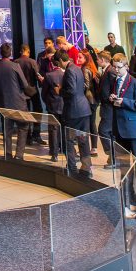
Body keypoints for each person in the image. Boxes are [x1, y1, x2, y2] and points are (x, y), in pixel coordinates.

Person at [109, 53, 136, 201]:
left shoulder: (135, 83)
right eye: (114, 67)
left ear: (126, 66)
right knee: (124, 160)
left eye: (119, 67)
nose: (116, 70)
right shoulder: (116, 81)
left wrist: (123, 101)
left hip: (132, 128)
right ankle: (127, 187)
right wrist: (112, 99)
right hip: (119, 127)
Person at [0, 43, 31, 160]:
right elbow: (25, 84)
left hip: (3, 104)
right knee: (23, 127)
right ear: (10, 53)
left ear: (0, 53)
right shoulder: (15, 66)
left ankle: (8, 155)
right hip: (18, 103)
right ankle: (19, 155)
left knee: (7, 130)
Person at [54, 48, 92, 177]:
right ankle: (86, 168)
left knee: (69, 140)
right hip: (83, 109)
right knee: (83, 140)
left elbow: (71, 90)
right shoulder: (76, 68)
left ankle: (72, 167)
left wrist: (60, 91)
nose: (58, 65)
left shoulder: (69, 70)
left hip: (73, 111)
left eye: (57, 63)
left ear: (60, 60)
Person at [16, 45, 45, 144]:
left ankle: (27, 137)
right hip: (33, 91)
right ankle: (36, 135)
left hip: (21, 92)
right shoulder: (32, 62)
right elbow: (38, 76)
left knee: (25, 114)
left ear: (21, 51)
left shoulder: (16, 62)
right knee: (38, 111)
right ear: (28, 51)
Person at [41, 62, 64, 161]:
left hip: (52, 105)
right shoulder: (66, 74)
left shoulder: (48, 75)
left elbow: (44, 93)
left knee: (53, 129)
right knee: (64, 128)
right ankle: (63, 149)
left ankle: (54, 153)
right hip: (64, 105)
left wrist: (47, 102)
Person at [97, 51, 116, 163]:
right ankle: (113, 156)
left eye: (98, 59)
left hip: (109, 107)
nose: (97, 61)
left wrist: (111, 97)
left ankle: (113, 155)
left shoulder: (110, 71)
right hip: (106, 106)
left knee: (103, 131)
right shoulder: (106, 71)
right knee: (109, 132)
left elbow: (115, 85)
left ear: (103, 60)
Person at [80, 48, 100, 154]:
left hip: (89, 100)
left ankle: (90, 148)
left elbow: (86, 85)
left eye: (80, 57)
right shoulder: (92, 68)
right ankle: (94, 147)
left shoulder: (85, 69)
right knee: (92, 124)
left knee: (89, 124)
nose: (78, 59)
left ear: (86, 58)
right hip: (93, 100)